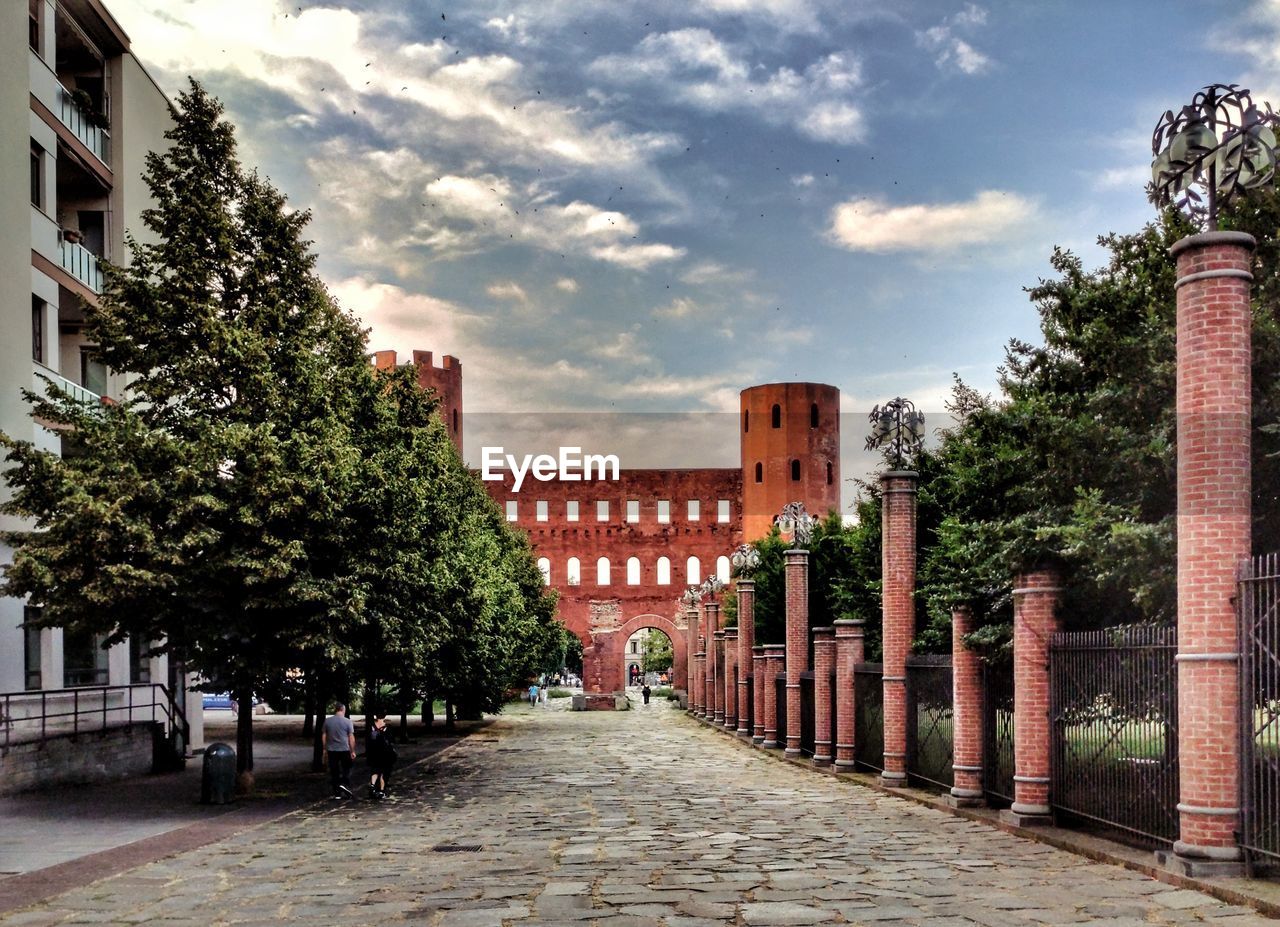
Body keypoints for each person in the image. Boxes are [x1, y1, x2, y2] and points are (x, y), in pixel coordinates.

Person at [322, 702, 357, 799]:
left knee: (334, 770)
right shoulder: (347, 721)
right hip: (344, 749)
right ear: (343, 709)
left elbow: (324, 736)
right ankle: (344, 783)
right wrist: (352, 750)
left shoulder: (327, 721)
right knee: (347, 768)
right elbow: (351, 737)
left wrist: (324, 749)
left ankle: (337, 792)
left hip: (332, 750)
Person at [366, 714, 397, 800]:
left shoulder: (371, 727)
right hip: (385, 753)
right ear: (384, 716)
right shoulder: (387, 728)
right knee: (384, 772)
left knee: (375, 770)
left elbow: (368, 740)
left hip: (374, 752)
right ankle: (381, 791)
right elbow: (391, 741)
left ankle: (372, 785)